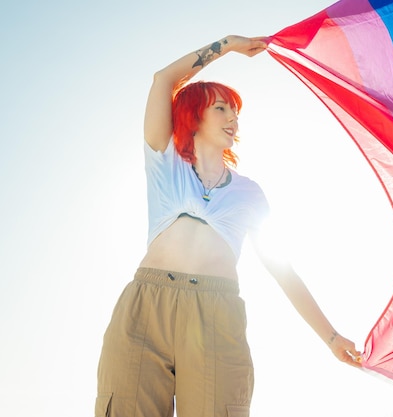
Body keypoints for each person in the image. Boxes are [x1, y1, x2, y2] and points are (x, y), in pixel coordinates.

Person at [95, 35, 362, 417]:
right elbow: (162, 79)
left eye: (235, 113)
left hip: (216, 314)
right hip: (145, 307)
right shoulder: (164, 160)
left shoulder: (249, 194)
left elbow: (283, 272)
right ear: (194, 115)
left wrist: (332, 338)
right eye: (222, 108)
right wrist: (230, 45)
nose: (233, 119)